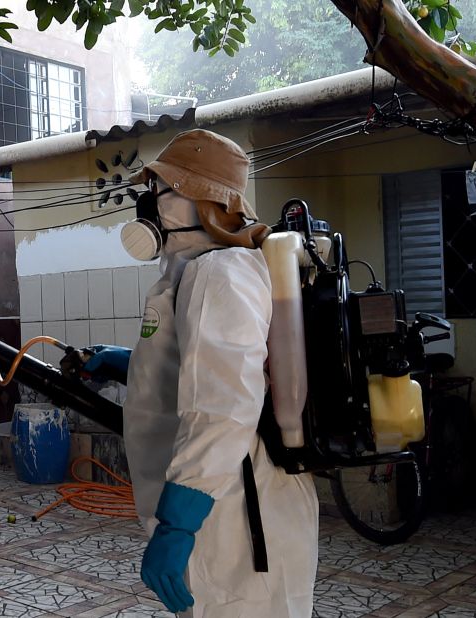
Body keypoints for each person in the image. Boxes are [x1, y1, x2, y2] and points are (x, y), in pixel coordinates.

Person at [85, 129, 318, 617]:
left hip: (235, 515)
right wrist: (133, 365)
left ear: (206, 203)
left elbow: (222, 406)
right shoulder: (204, 271)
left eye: (163, 190)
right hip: (227, 501)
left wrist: (178, 525)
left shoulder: (219, 272)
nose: (150, 204)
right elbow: (208, 371)